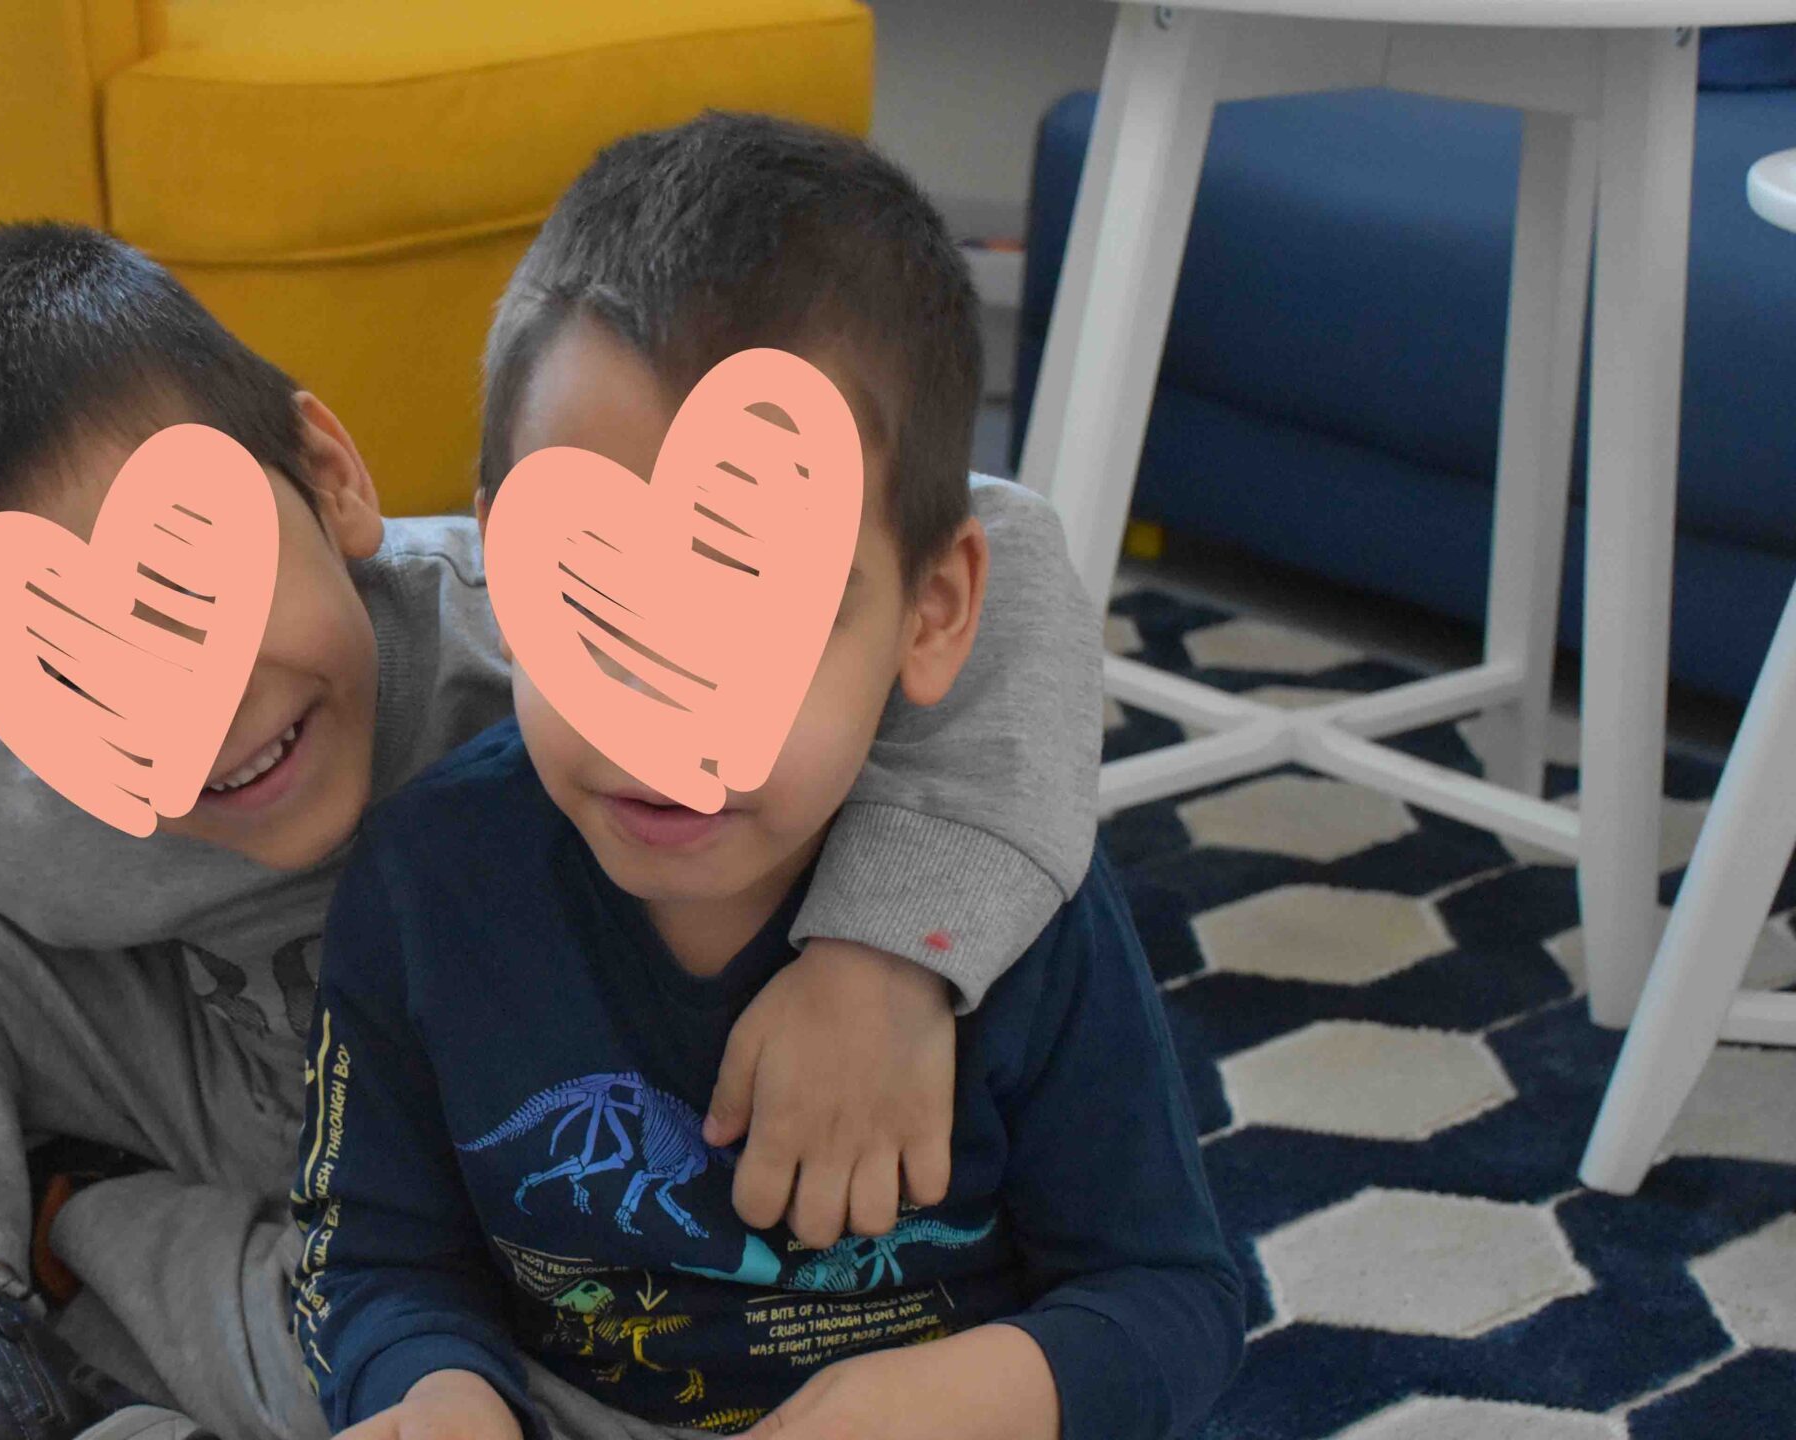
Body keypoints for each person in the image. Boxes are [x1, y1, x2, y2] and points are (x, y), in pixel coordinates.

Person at [0, 191, 1105, 1437]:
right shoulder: (40, 821)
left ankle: (95, 1237)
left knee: (527, 1345)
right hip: (231, 1068)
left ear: (331, 476)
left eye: (197, 586)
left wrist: (882, 961)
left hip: (515, 1116)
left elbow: (1002, 544)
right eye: (76, 668)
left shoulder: (534, 618)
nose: (194, 709)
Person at [292, 112, 1244, 1440]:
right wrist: (432, 1395)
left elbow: (1174, 1305)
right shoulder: (420, 882)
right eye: (595, 601)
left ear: (933, 610)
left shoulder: (1030, 918)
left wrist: (934, 1405)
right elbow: (378, 1262)